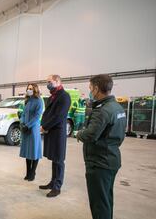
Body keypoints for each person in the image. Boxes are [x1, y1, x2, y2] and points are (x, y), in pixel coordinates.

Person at [76, 74, 126, 219]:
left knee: (99, 204)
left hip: (99, 162)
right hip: (112, 158)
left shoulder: (102, 110)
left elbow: (90, 135)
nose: (90, 91)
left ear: (97, 89)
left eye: (90, 88)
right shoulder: (117, 107)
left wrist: (79, 133)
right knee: (106, 200)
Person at [39, 75, 71, 197]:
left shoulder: (64, 96)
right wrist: (44, 125)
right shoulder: (53, 95)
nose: (48, 84)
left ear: (57, 81)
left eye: (49, 82)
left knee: (59, 160)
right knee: (54, 159)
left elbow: (58, 116)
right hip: (51, 131)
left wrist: (45, 127)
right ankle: (52, 182)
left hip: (58, 132)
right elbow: (48, 113)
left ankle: (57, 186)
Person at [19, 83, 43, 181]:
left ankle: (33, 172)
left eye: (31, 89)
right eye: (28, 88)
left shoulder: (39, 101)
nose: (29, 90)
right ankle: (28, 172)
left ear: (35, 90)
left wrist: (28, 125)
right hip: (25, 128)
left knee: (34, 151)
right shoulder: (27, 101)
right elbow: (23, 114)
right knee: (27, 151)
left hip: (33, 129)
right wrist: (22, 123)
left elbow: (37, 116)